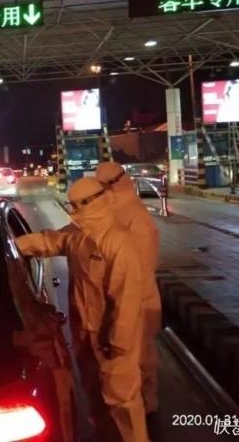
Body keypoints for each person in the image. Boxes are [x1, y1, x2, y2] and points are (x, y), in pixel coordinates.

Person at [16, 177, 148, 442]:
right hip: (85, 332)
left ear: (94, 202)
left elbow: (127, 299)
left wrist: (119, 346)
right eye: (71, 205)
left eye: (78, 205)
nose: (73, 211)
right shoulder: (79, 235)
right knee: (95, 396)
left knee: (122, 403)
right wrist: (15, 246)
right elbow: (51, 241)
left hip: (112, 341)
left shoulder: (119, 242)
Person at [96, 161, 161, 415]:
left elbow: (141, 268)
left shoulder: (135, 218)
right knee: (128, 355)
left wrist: (124, 300)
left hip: (137, 300)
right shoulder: (118, 211)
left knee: (140, 355)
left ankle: (145, 402)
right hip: (124, 298)